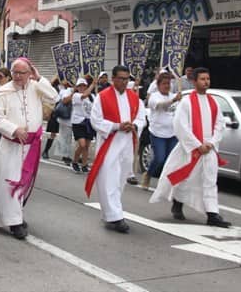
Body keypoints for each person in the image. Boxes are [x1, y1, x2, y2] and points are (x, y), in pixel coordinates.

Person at [0, 58, 58, 239]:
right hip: (12, 145)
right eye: (15, 72)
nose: (18, 76)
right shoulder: (2, 92)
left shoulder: (36, 86)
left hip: (31, 146)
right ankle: (15, 222)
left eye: (22, 73)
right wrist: (14, 129)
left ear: (30, 73)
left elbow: (54, 97)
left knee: (24, 182)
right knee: (11, 182)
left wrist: (39, 78)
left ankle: (15, 214)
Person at [150, 67, 231, 228]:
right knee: (186, 179)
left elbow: (219, 124)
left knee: (209, 180)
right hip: (191, 148)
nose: (206, 82)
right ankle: (178, 203)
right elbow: (180, 125)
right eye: (202, 79)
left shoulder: (213, 102)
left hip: (209, 149)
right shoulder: (186, 102)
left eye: (208, 79)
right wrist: (196, 145)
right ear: (194, 81)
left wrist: (212, 142)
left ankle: (212, 214)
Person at [86, 65, 145, 233]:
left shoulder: (134, 98)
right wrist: (116, 126)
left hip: (126, 143)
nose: (124, 82)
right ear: (113, 79)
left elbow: (142, 118)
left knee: (120, 180)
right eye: (120, 78)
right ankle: (115, 217)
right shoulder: (102, 97)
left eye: (127, 79)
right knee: (107, 179)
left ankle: (111, 213)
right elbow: (95, 120)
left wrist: (133, 125)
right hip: (109, 143)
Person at [143, 73, 181, 190]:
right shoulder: (154, 97)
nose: (166, 86)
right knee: (160, 158)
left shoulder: (175, 95)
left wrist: (180, 101)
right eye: (164, 83)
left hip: (172, 133)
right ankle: (148, 174)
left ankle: (166, 183)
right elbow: (160, 106)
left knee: (171, 160)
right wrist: (173, 100)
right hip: (157, 133)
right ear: (158, 85)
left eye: (168, 83)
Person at [70, 78, 96, 173]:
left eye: (83, 85)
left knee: (87, 146)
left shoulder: (92, 96)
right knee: (82, 144)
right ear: (77, 87)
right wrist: (93, 84)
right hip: (78, 122)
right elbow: (84, 95)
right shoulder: (76, 96)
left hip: (88, 122)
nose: (82, 87)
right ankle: (75, 161)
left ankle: (84, 164)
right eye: (80, 86)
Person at [54, 81, 74, 165]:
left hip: (73, 119)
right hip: (65, 118)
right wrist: (73, 92)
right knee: (65, 138)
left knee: (68, 138)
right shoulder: (66, 91)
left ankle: (67, 155)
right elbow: (65, 100)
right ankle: (65, 156)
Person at [42, 76, 61, 160]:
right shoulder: (55, 88)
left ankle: (65, 155)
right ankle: (46, 150)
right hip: (55, 113)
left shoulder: (70, 88)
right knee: (52, 133)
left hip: (66, 115)